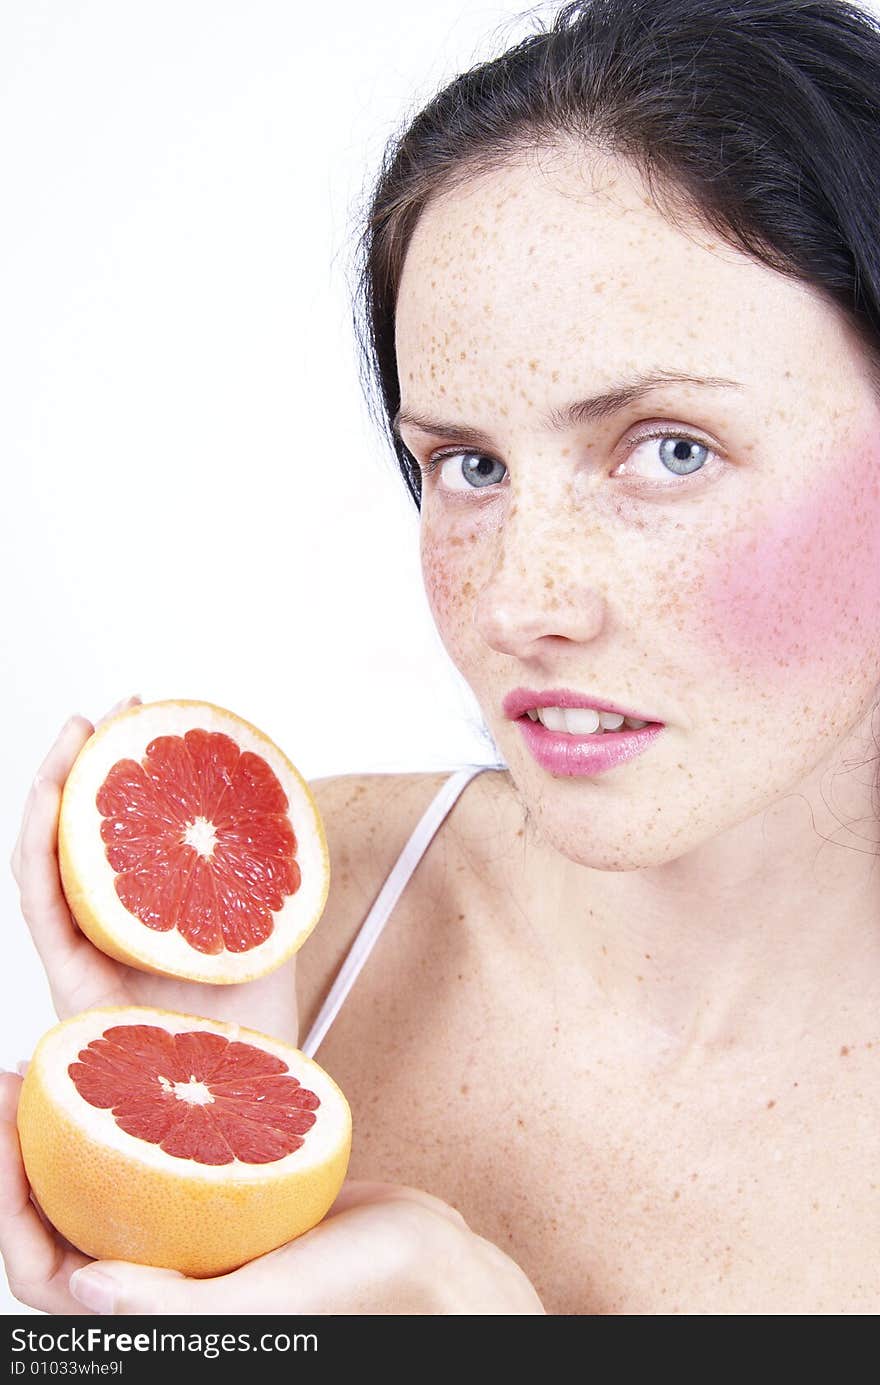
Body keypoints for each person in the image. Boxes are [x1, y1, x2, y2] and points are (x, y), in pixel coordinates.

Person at [3, 0, 880, 1315]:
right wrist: (198, 1261)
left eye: (669, 449)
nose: (525, 602)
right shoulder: (278, 946)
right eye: (468, 465)